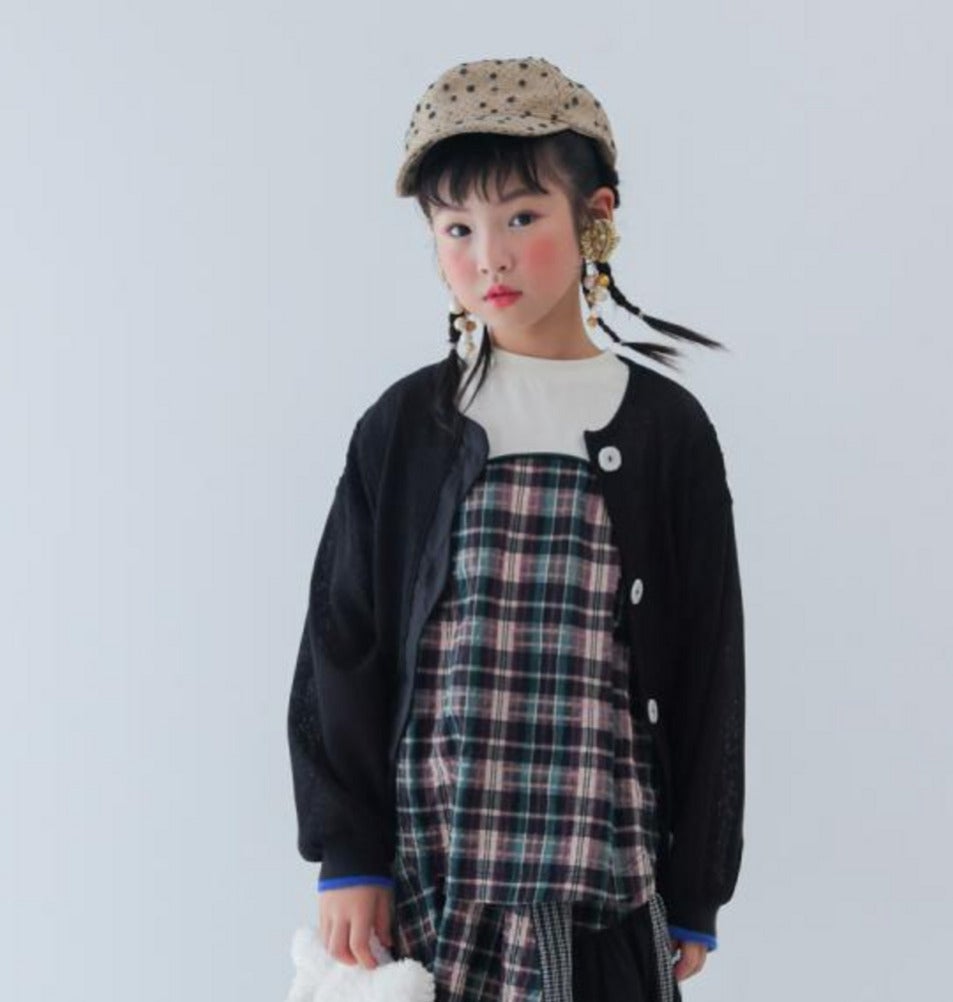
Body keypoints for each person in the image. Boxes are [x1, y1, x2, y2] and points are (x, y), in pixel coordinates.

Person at [287, 56, 745, 1002]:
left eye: (522, 218)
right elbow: (343, 643)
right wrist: (349, 850)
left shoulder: (666, 432)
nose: (488, 257)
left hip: (603, 876)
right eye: (457, 228)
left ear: (595, 216)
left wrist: (697, 882)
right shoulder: (406, 429)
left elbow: (710, 665)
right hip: (431, 871)